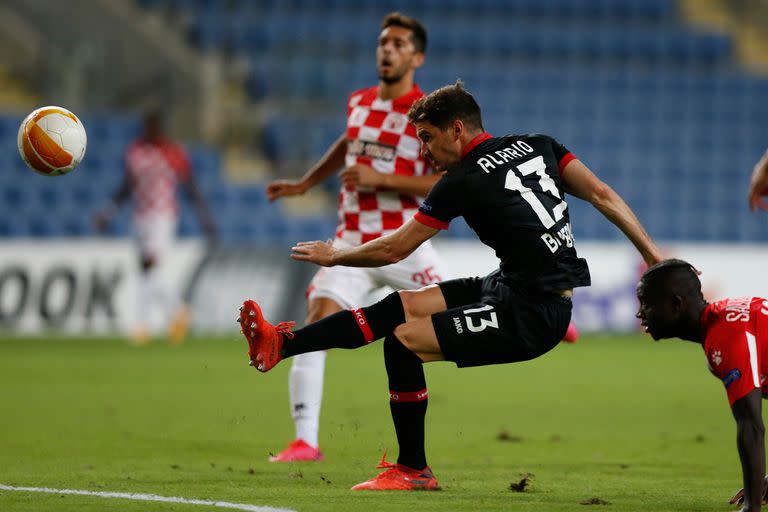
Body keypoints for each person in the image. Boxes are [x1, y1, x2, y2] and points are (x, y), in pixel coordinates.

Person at [239, 81, 661, 490]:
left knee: (403, 343)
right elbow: (602, 193)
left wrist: (336, 256)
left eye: (426, 138)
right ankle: (281, 344)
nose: (422, 150)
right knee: (397, 307)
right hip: (511, 285)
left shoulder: (462, 179)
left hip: (531, 312)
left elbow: (395, 250)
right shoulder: (540, 144)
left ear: (457, 130)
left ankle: (413, 469)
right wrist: (654, 257)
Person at [262, 12, 451, 463]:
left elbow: (446, 182)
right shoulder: (360, 102)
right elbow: (349, 145)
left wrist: (381, 179)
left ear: (417, 57)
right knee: (317, 324)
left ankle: (543, 313)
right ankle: (305, 439)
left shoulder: (428, 114)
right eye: (384, 42)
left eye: (399, 44)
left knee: (462, 307)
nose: (388, 49)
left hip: (403, 242)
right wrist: (306, 183)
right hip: (351, 242)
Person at [636, 259, 768, 512]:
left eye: (647, 303)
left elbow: (751, 425)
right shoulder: (724, 321)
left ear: (676, 304)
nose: (640, 313)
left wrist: (751, 506)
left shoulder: (726, 337)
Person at [94, 111, 216, 344]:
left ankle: (142, 326)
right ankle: (179, 312)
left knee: (150, 268)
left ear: (161, 128)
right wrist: (108, 212)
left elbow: (190, 187)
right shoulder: (135, 152)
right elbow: (127, 186)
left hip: (163, 217)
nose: (151, 130)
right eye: (148, 126)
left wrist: (205, 219)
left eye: (155, 126)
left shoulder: (173, 152)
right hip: (140, 217)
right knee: (147, 272)